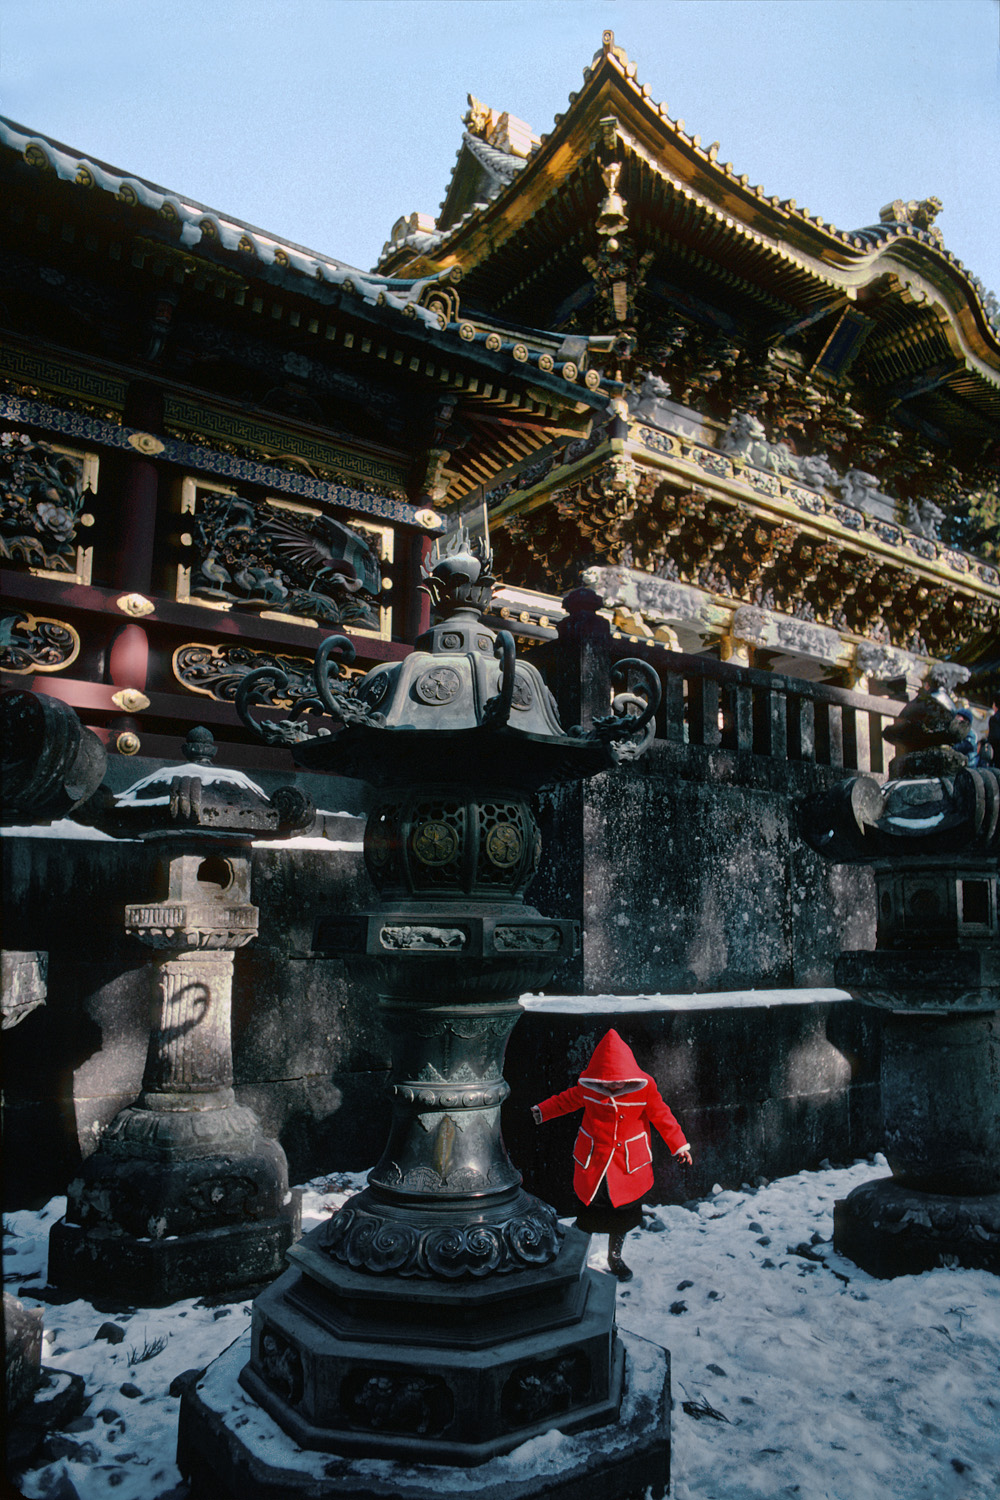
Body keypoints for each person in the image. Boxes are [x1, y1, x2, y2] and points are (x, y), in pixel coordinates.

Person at [531, 1027, 692, 1282]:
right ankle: (575, 1254)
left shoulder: (644, 1088)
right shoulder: (589, 1088)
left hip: (626, 1168)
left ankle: (614, 1257)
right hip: (596, 1166)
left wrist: (679, 1144)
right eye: (609, 1081)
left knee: (622, 1216)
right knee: (588, 1215)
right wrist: (543, 1111)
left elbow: (662, 1115)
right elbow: (567, 1100)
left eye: (619, 1080)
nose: (614, 1085)